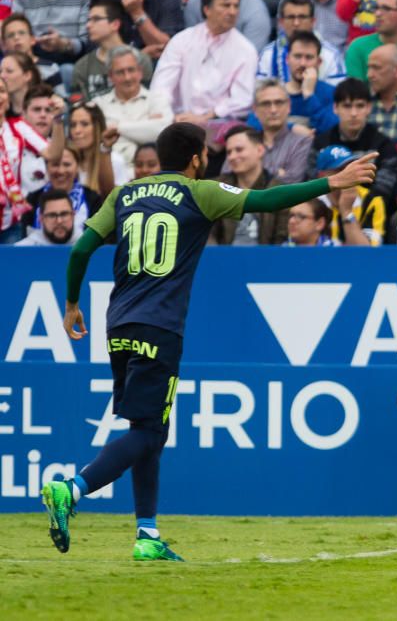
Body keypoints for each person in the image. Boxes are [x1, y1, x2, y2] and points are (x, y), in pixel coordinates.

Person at [43, 121, 375, 561]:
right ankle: (72, 487)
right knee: (148, 433)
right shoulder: (200, 192)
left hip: (118, 326)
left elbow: (81, 250)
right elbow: (266, 200)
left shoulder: (126, 195)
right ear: (196, 158)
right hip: (160, 327)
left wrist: (70, 304)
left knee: (146, 430)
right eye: (205, 154)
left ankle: (147, 534)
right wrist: (330, 182)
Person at [152, 0, 257, 142]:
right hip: (177, 121)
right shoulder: (182, 40)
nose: (232, 11)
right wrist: (170, 116)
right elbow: (162, 86)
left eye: (236, 6)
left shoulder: (246, 50)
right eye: (226, 5)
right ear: (207, 9)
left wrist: (206, 117)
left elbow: (243, 100)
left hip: (218, 126)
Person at [314, 77, 397, 198]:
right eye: (347, 106)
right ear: (335, 108)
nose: (353, 113)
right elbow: (311, 183)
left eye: (360, 106)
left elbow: (384, 189)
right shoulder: (321, 143)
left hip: (368, 210)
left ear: (369, 108)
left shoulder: (383, 145)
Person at [93, 46, 173, 169]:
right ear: (110, 76)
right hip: (112, 174)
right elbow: (96, 142)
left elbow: (163, 132)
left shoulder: (157, 99)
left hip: (150, 175)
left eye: (131, 70)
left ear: (140, 72)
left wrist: (117, 127)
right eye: (120, 72)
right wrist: (147, 127)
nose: (127, 77)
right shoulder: (98, 105)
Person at [211, 126, 290, 245]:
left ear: (260, 150)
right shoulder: (216, 188)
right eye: (229, 152)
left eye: (239, 150)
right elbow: (208, 235)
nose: (232, 157)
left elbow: (281, 238)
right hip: (223, 261)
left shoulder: (278, 190)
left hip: (266, 261)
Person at [257, 0, 347, 88]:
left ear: (313, 21)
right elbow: (259, 95)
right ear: (281, 22)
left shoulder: (331, 55)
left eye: (302, 17)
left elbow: (337, 98)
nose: (296, 23)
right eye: (291, 17)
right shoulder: (268, 54)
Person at [73, 1, 154, 101]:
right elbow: (79, 107)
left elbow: (147, 99)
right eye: (88, 20)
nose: (88, 25)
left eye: (96, 19)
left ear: (115, 24)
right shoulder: (82, 66)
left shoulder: (141, 59)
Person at [22, 146, 102, 237]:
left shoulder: (93, 199)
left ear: (77, 166)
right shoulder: (32, 200)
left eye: (67, 164)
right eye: (55, 164)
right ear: (46, 167)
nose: (61, 171)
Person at [243, 79, 311, 184]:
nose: (273, 110)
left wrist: (250, 173)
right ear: (255, 110)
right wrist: (277, 173)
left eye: (278, 102)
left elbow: (293, 181)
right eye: (266, 104)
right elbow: (227, 179)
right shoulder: (245, 144)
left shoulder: (302, 142)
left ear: (289, 106)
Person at [320, 145, 388, 246]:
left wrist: (347, 211)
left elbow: (367, 254)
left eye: (350, 167)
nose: (349, 173)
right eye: (340, 169)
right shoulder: (310, 203)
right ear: (322, 175)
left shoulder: (371, 201)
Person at [69, 100, 131, 191]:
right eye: (73, 125)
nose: (77, 130)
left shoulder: (114, 160)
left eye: (84, 124)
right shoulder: (67, 162)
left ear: (98, 128)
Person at [2, 13, 65, 95]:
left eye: (21, 33)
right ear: (4, 45)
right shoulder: (2, 72)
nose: (16, 38)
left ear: (33, 39)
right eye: (11, 35)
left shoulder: (50, 68)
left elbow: (62, 102)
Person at [15, 188, 82, 246]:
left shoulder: (89, 248)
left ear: (73, 215)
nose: (59, 221)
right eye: (52, 215)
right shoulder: (21, 251)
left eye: (64, 214)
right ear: (41, 219)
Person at [1, 52, 40, 117]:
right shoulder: (2, 108)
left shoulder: (45, 104)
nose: (2, 75)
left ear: (27, 75)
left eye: (9, 71)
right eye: (0, 71)